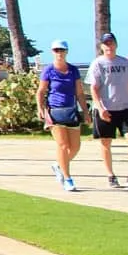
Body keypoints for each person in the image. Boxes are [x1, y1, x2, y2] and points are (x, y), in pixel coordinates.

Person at [88, 33, 128, 189]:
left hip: (125, 107)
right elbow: (93, 88)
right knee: (105, 142)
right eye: (105, 44)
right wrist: (100, 108)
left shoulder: (124, 63)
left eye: (111, 43)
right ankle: (110, 176)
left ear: (116, 44)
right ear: (101, 46)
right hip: (106, 109)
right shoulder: (97, 64)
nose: (109, 46)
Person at [39, 40, 85, 192]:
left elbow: (79, 92)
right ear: (52, 52)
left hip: (71, 111)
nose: (59, 53)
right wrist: (40, 108)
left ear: (66, 51)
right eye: (56, 50)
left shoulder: (73, 70)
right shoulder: (49, 70)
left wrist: (85, 111)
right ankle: (67, 178)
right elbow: (41, 91)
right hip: (54, 112)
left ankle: (59, 165)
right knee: (63, 145)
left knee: (75, 147)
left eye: (62, 50)